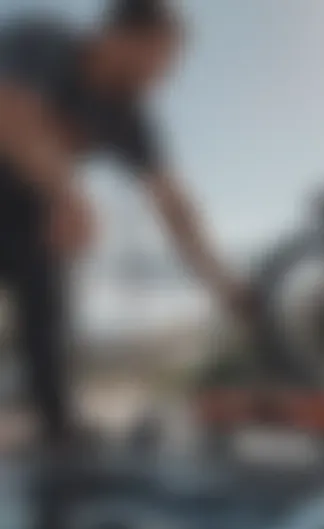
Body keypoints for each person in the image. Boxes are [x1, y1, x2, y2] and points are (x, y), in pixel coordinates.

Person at [0, 0, 249, 447]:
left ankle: (58, 430)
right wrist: (66, 191)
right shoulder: (43, 43)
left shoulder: (130, 117)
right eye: (159, 58)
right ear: (118, 39)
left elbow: (175, 206)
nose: (164, 76)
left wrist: (226, 286)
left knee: (48, 295)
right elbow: (11, 113)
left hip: (28, 211)